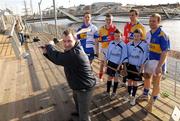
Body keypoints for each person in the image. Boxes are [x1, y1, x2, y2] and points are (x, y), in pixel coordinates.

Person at [42, 29, 96, 121]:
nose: (66, 44)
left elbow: (59, 58)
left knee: (84, 116)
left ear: (75, 40)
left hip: (85, 87)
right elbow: (60, 59)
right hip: (77, 84)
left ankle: (81, 114)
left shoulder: (76, 54)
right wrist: (46, 53)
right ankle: (78, 111)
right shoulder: (73, 49)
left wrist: (50, 46)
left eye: (69, 41)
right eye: (64, 41)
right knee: (76, 100)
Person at [138, 13, 170, 112]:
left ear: (158, 22)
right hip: (149, 60)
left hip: (158, 62)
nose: (151, 23)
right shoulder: (148, 34)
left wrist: (159, 66)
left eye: (154, 21)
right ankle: (145, 95)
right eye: (150, 21)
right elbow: (146, 48)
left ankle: (151, 103)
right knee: (147, 78)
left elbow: (165, 52)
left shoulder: (163, 35)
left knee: (156, 83)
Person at [123, 9, 146, 86]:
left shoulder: (141, 26)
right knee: (126, 65)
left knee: (135, 68)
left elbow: (143, 40)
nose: (131, 17)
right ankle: (125, 81)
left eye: (133, 15)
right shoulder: (127, 25)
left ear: (137, 15)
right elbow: (125, 37)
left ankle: (137, 81)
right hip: (127, 48)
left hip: (136, 50)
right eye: (130, 15)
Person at [103, 29, 128, 99]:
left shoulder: (123, 45)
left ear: (121, 36)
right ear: (113, 36)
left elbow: (123, 56)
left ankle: (114, 93)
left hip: (117, 64)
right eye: (115, 36)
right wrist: (105, 62)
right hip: (110, 63)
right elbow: (108, 53)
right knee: (109, 77)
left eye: (118, 36)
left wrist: (119, 66)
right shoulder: (111, 43)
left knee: (116, 78)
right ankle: (108, 92)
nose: (117, 37)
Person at [126, 29, 148, 106]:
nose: (136, 37)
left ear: (141, 36)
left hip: (137, 66)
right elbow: (126, 55)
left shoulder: (144, 45)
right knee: (129, 81)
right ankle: (129, 94)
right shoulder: (129, 44)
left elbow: (145, 57)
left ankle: (133, 97)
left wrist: (142, 67)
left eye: (138, 36)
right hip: (129, 65)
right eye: (134, 36)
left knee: (135, 82)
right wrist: (124, 65)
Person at [98, 13, 116, 81]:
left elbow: (118, 38)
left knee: (112, 64)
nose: (108, 21)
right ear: (105, 20)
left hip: (112, 49)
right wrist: (103, 39)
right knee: (102, 63)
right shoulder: (101, 29)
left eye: (110, 20)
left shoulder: (114, 28)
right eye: (107, 20)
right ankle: (100, 77)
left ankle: (112, 78)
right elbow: (98, 39)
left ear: (112, 20)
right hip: (104, 48)